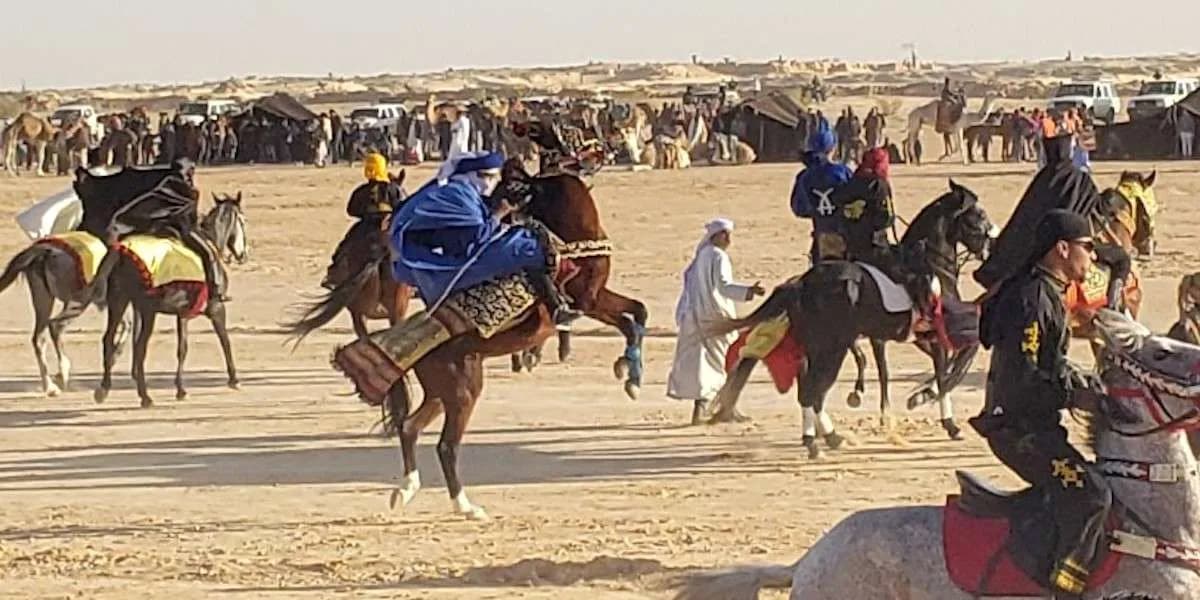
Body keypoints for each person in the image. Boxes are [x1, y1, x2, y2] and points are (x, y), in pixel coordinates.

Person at [970, 209, 1110, 599]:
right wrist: (1075, 395)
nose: (1093, 256)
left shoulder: (1047, 291)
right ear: (1062, 249)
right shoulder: (1032, 298)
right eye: (1088, 247)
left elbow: (1053, 366)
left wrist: (1087, 383)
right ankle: (1065, 588)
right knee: (1091, 495)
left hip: (1037, 426)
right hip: (1020, 432)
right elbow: (1023, 379)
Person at [389, 151, 580, 325]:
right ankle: (555, 308)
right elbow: (478, 237)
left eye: (493, 176)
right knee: (528, 246)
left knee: (530, 234)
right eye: (484, 176)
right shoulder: (457, 195)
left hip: (464, 247)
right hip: (459, 261)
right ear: (467, 174)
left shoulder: (465, 192)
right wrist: (500, 212)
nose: (489, 182)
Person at [667, 218, 765, 424]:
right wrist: (749, 291)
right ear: (714, 236)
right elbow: (724, 287)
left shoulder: (702, 255)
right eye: (724, 234)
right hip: (714, 317)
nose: (728, 239)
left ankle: (724, 408)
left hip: (696, 316)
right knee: (725, 361)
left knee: (707, 363)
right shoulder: (718, 256)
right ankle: (717, 408)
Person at [322, 152, 407, 289]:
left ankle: (334, 275)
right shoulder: (393, 189)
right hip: (388, 227)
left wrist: (366, 212)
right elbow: (403, 208)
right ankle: (415, 282)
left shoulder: (361, 191)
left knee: (344, 247)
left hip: (365, 227)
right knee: (407, 247)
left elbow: (351, 210)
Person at [790, 119, 853, 263]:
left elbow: (798, 209)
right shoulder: (843, 172)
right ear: (832, 147)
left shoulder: (804, 176)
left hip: (820, 238)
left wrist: (817, 211)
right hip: (845, 238)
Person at [832, 147, 894, 268]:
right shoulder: (880, 185)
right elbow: (885, 218)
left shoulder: (852, 182)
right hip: (875, 246)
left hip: (851, 245)